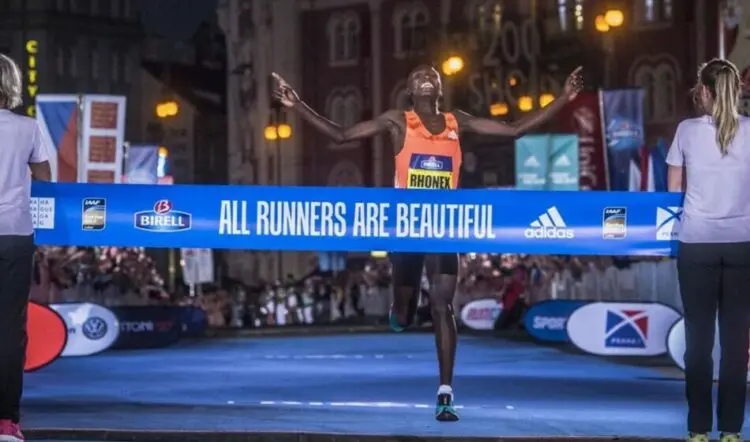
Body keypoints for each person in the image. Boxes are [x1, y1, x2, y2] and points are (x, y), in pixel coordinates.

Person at [272, 65, 583, 421]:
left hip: (443, 227)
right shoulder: (397, 121)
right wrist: (297, 105)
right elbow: (342, 135)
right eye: (418, 76)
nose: (425, 77)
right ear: (409, 90)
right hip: (406, 227)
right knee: (404, 315)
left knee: (441, 305)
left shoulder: (457, 121)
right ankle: (401, 310)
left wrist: (564, 98)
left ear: (439, 89)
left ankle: (445, 393)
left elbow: (514, 129)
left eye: (432, 75)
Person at [666, 58, 749, 442]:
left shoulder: (686, 131)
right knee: (736, 344)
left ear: (703, 91)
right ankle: (731, 431)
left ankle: (698, 429)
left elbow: (672, 191)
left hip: (697, 244)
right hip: (743, 245)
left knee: (698, 344)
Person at [0, 53, 52, 442]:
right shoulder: (28, 127)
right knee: (9, 329)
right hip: (14, 234)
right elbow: (46, 178)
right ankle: (6, 422)